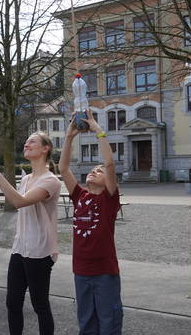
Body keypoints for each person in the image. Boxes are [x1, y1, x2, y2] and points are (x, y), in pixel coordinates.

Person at [0, 132, 62, 335]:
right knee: (12, 303)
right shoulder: (26, 179)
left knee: (40, 305)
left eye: (32, 141)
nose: (26, 144)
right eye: (26, 141)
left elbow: (19, 201)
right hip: (20, 247)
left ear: (46, 149)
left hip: (39, 250)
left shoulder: (51, 180)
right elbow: (19, 203)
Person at [59, 110, 123, 335]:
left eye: (99, 171)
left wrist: (97, 130)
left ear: (109, 183)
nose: (95, 171)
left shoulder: (108, 199)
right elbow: (63, 169)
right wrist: (69, 136)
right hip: (81, 272)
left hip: (105, 273)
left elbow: (109, 163)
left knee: (109, 324)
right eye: (93, 170)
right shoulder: (80, 196)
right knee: (86, 324)